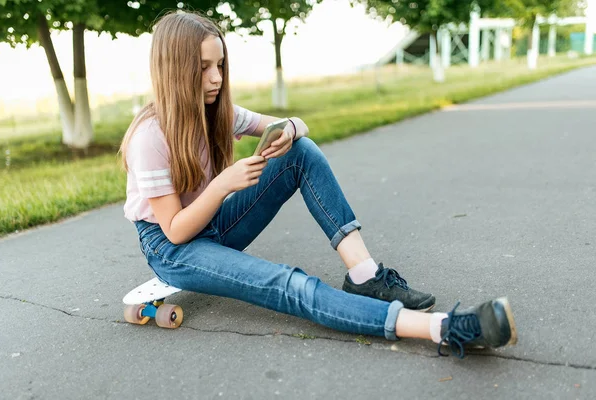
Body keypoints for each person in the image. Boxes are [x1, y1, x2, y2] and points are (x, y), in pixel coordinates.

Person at [119, 11, 517, 359]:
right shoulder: (149, 138)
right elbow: (175, 230)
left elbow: (298, 126)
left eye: (221, 65)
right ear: (175, 70)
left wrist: (288, 130)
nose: (217, 78)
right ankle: (445, 329)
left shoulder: (217, 111)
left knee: (302, 150)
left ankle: (364, 275)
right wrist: (223, 185)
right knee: (285, 282)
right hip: (172, 249)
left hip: (212, 225)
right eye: (205, 68)